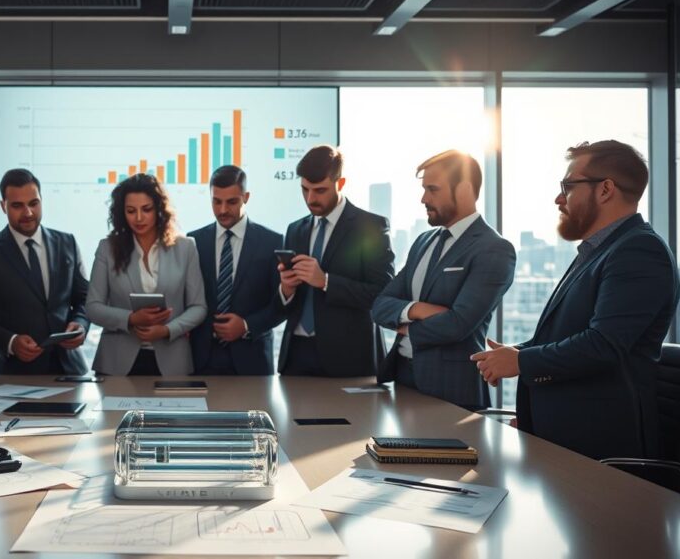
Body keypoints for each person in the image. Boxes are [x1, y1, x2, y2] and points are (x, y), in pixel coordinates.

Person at [474, 140, 680, 460]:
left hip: (600, 450)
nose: (558, 198)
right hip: (562, 437)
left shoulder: (638, 251)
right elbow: (571, 334)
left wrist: (520, 362)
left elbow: (603, 345)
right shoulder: (598, 251)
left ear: (605, 190)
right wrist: (520, 352)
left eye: (568, 186)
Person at [371, 151, 515, 410]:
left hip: (451, 388)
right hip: (401, 380)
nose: (423, 198)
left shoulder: (494, 249)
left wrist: (403, 325)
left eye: (432, 189)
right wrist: (417, 309)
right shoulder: (423, 241)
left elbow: (458, 325)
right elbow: (380, 305)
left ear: (465, 189)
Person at [277, 145, 395, 377]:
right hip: (296, 355)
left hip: (348, 358)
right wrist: (286, 289)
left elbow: (382, 294)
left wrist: (326, 281)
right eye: (305, 189)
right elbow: (286, 303)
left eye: (319, 190)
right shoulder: (295, 230)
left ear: (340, 184)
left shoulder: (370, 227)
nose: (310, 198)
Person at [86, 173, 206, 375]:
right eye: (131, 211)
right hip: (116, 363)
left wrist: (167, 330)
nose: (139, 218)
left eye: (146, 209)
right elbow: (92, 308)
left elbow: (198, 307)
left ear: (159, 209)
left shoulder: (186, 247)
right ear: (121, 213)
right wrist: (131, 319)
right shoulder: (107, 248)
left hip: (173, 361)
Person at [0, 169, 91, 375]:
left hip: (69, 369)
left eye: (34, 203)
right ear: (3, 206)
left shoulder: (67, 243)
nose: (28, 213)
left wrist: (81, 324)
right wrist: (11, 342)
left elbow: (84, 298)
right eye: (17, 206)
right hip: (12, 374)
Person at [188, 165, 285, 375]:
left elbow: (281, 305)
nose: (223, 210)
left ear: (246, 197)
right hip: (200, 360)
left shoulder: (272, 243)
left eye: (232, 202)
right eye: (216, 201)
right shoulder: (194, 241)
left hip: (252, 360)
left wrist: (246, 325)